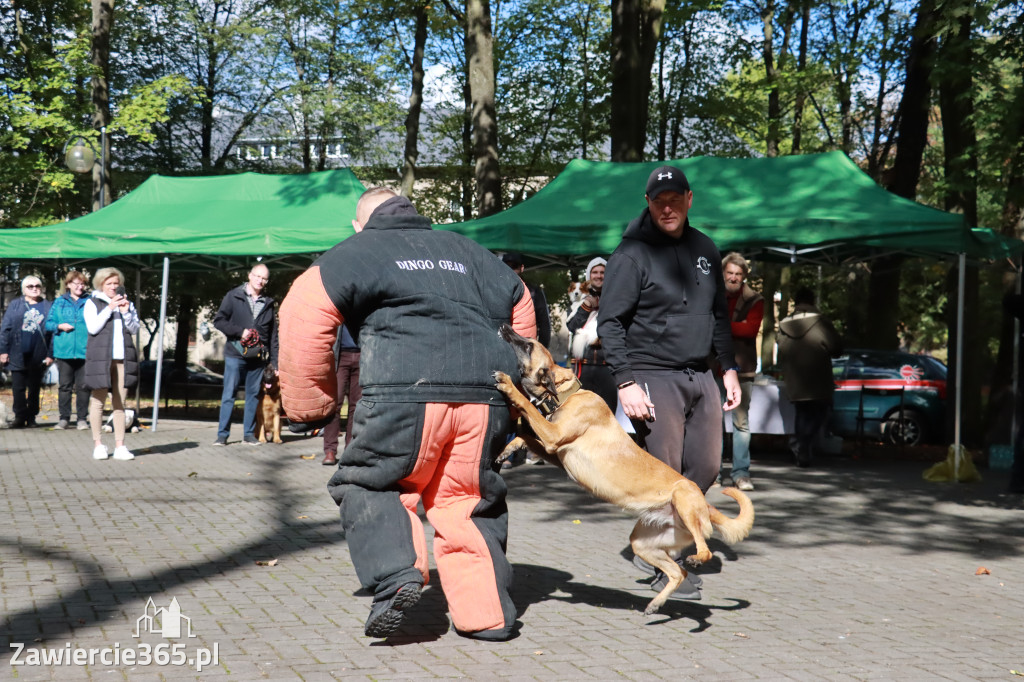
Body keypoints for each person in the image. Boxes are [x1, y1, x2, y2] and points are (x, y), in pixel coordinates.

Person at [279, 187, 536, 641]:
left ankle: (397, 572)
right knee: (468, 501)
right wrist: (522, 396)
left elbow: (302, 315)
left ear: (360, 223)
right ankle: (487, 615)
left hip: (403, 393)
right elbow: (523, 310)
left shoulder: (353, 252)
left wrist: (309, 406)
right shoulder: (471, 251)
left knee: (370, 481)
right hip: (486, 396)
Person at [598, 165, 740, 599]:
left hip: (701, 374)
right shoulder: (630, 255)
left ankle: (654, 540)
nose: (667, 206)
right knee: (665, 474)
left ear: (689, 199)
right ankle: (666, 564)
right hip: (652, 374)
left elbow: (718, 315)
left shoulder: (705, 249)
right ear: (648, 203)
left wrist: (729, 368)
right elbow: (610, 323)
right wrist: (626, 382)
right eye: (659, 200)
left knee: (707, 468)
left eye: (675, 198)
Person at [213, 263, 279, 446]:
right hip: (235, 353)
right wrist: (239, 331)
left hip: (258, 357)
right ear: (250, 275)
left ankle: (249, 435)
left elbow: (273, 336)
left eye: (264, 278)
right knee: (229, 394)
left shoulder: (268, 303)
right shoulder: (233, 296)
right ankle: (222, 435)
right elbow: (219, 321)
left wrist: (275, 364)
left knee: (253, 395)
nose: (261, 280)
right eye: (258, 276)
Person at [777, 287, 843, 467]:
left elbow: (781, 351)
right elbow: (836, 347)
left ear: (796, 302)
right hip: (819, 377)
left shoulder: (785, 323)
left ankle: (801, 446)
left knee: (802, 413)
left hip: (795, 378)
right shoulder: (821, 321)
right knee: (819, 414)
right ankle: (803, 446)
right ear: (812, 301)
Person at [84, 268, 141, 461]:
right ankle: (98, 444)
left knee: (120, 403)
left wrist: (125, 312)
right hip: (100, 359)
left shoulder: (127, 304)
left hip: (122, 359)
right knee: (98, 401)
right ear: (101, 284)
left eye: (116, 283)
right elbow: (93, 328)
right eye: (109, 283)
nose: (113, 287)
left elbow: (134, 329)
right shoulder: (92, 303)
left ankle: (120, 446)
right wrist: (110, 308)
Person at [718, 253, 764, 491]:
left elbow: (750, 330)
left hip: (742, 369)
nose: (734, 278)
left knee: (741, 423)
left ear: (744, 276)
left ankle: (741, 473)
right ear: (723, 273)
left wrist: (720, 325)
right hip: (713, 367)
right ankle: (712, 473)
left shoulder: (755, 299)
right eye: (730, 273)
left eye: (738, 274)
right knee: (713, 423)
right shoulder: (712, 295)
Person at [0, 275, 53, 428]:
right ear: (24, 290)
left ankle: (31, 417)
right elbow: (5, 329)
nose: (35, 288)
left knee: (34, 387)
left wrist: (50, 354)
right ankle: (19, 416)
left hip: (39, 354)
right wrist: (3, 351)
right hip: (17, 352)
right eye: (30, 286)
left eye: (37, 286)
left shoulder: (48, 306)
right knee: (18, 387)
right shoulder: (15, 304)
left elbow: (53, 333)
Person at [566, 257, 617, 411]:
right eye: (595, 272)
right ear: (589, 275)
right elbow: (572, 326)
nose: (599, 275)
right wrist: (587, 306)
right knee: (579, 412)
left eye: (603, 272)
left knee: (607, 412)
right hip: (583, 365)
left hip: (607, 366)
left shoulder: (616, 297)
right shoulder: (581, 298)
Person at [45, 271, 92, 430]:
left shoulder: (90, 301)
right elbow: (48, 324)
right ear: (68, 285)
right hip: (63, 350)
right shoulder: (59, 302)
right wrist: (60, 326)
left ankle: (81, 419)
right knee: (64, 386)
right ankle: (64, 418)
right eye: (76, 283)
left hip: (85, 350)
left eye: (82, 283)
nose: (79, 286)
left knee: (84, 386)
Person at [321, 324, 361, 466]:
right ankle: (330, 450)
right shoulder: (342, 302)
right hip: (340, 354)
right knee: (334, 403)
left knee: (356, 406)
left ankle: (350, 449)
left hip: (363, 355)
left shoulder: (366, 303)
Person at [501, 252, 551, 348]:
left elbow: (544, 324)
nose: (510, 270)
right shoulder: (494, 291)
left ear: (522, 268)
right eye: (506, 266)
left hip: (526, 349)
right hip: (502, 350)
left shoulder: (534, 292)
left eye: (514, 266)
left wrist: (541, 350)